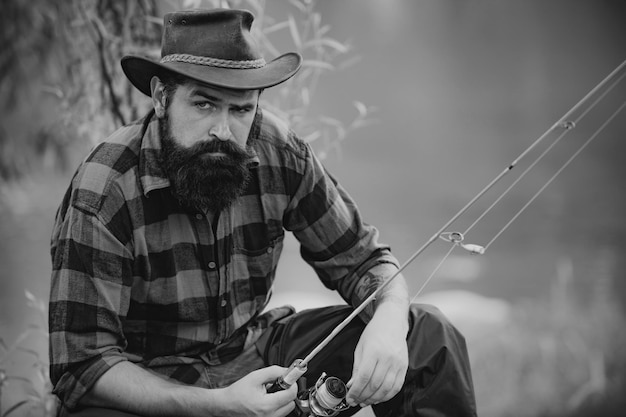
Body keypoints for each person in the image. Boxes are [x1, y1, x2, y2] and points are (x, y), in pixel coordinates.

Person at [49, 8, 477, 417]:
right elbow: (82, 366)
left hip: (254, 359)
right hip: (152, 385)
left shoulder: (279, 151)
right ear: (162, 97)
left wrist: (388, 320)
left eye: (240, 109)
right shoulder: (105, 191)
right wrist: (218, 408)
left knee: (428, 336)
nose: (223, 130)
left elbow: (365, 260)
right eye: (203, 105)